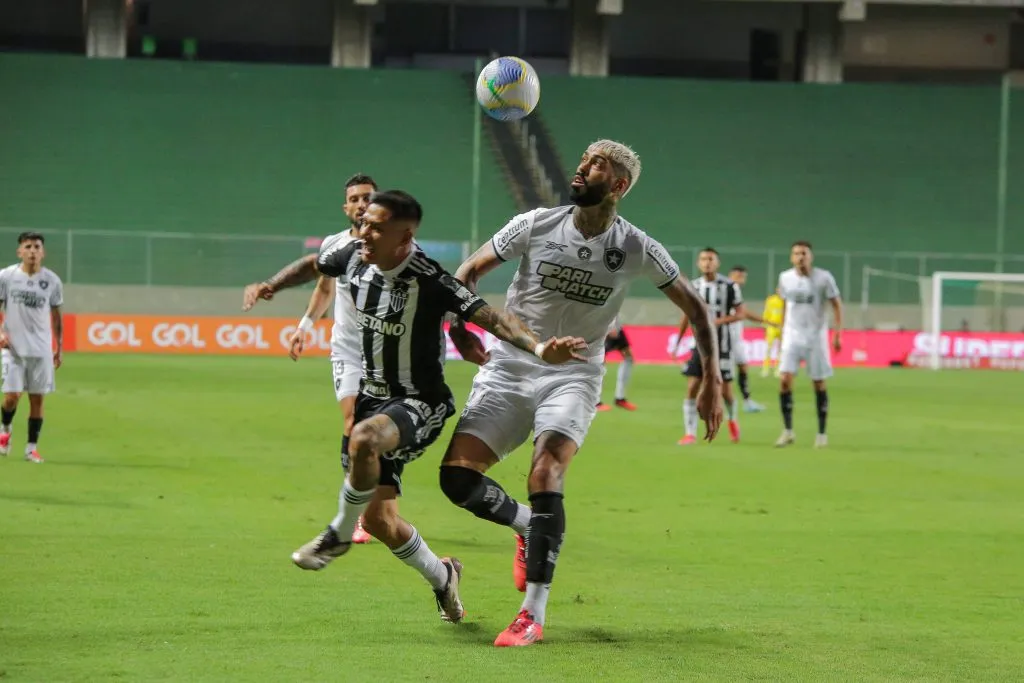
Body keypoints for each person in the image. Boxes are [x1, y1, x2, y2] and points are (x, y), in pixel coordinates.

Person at [437, 140, 723, 647]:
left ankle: (532, 615)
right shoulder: (535, 223)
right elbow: (467, 274)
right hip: (509, 366)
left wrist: (713, 385)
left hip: (573, 376)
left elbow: (698, 310)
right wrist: (458, 325)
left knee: (546, 472)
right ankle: (532, 528)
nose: (583, 167)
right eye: (585, 159)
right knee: (457, 480)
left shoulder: (637, 246)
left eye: (598, 165)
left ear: (618, 185)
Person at [293, 190, 586, 623]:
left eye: (375, 222)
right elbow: (317, 269)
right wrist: (279, 293)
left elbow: (487, 315)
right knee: (379, 521)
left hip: (416, 398)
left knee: (370, 441)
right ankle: (442, 575)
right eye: (361, 216)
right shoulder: (351, 255)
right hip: (368, 387)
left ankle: (337, 531)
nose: (364, 225)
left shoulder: (423, 275)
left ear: (403, 234)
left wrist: (538, 346)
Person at [243, 173, 377, 544]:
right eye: (355, 199)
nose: (362, 203)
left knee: (379, 433)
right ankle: (362, 513)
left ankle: (376, 504)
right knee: (353, 423)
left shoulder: (388, 244)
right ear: (346, 207)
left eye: (368, 197)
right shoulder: (335, 245)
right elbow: (323, 286)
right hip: (348, 349)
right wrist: (304, 325)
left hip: (384, 351)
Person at [0, 232, 63, 464]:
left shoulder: (52, 281)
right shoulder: (6, 277)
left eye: (37, 247)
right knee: (12, 397)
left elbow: (57, 317)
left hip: (41, 350)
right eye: (28, 246)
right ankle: (5, 428)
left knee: (37, 400)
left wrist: (59, 348)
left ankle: (31, 448)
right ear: (19, 252)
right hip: (12, 348)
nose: (33, 251)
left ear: (43, 252)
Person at [774, 241, 843, 448]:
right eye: (796, 253)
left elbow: (837, 305)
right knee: (785, 380)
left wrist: (837, 333)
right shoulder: (785, 278)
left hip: (816, 337)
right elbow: (785, 304)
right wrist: (780, 331)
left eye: (804, 253)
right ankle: (787, 431)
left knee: (819, 383)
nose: (800, 257)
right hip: (791, 336)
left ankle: (821, 434)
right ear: (791, 257)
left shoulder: (824, 278)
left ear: (811, 256)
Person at [675, 249, 747, 445]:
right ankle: (690, 433)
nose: (707, 262)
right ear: (699, 263)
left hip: (722, 345)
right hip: (698, 345)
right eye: (703, 259)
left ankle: (733, 420)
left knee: (725, 392)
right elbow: (686, 315)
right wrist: (678, 340)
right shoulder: (693, 286)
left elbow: (741, 314)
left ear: (718, 263)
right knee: (692, 388)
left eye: (711, 259)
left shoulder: (730, 286)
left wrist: (717, 321)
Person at [726, 266, 772, 412]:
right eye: (737, 276)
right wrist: (765, 321)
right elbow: (744, 313)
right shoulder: (726, 289)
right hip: (724, 337)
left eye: (743, 277)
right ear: (730, 276)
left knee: (743, 367)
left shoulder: (736, 291)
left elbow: (743, 313)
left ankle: (747, 402)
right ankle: (726, 405)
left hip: (736, 338)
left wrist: (765, 321)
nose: (740, 279)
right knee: (724, 373)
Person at [595, 315, 636, 411]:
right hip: (606, 327)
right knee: (599, 361)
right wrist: (610, 326)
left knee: (629, 357)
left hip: (617, 326)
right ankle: (596, 402)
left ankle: (620, 398)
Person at [761, 288, 785, 377]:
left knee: (780, 349)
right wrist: (764, 324)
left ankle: (778, 369)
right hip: (771, 326)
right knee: (768, 348)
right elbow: (766, 312)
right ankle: (765, 368)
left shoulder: (785, 301)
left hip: (781, 327)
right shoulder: (771, 300)